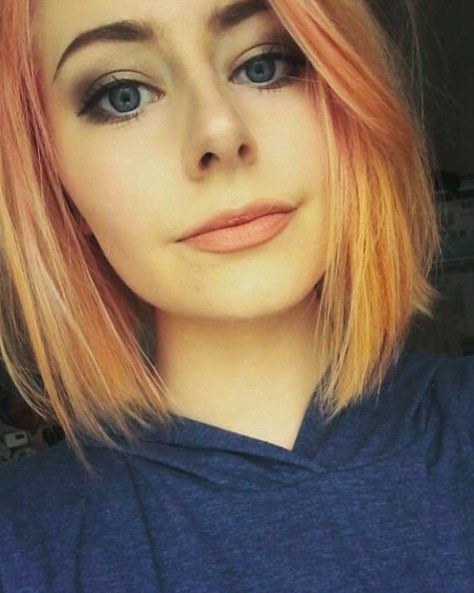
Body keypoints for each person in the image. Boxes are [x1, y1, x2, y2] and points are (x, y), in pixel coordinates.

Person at [0, 0, 472, 591]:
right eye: (123, 95)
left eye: (264, 64)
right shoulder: (19, 545)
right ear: (55, 181)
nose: (220, 132)